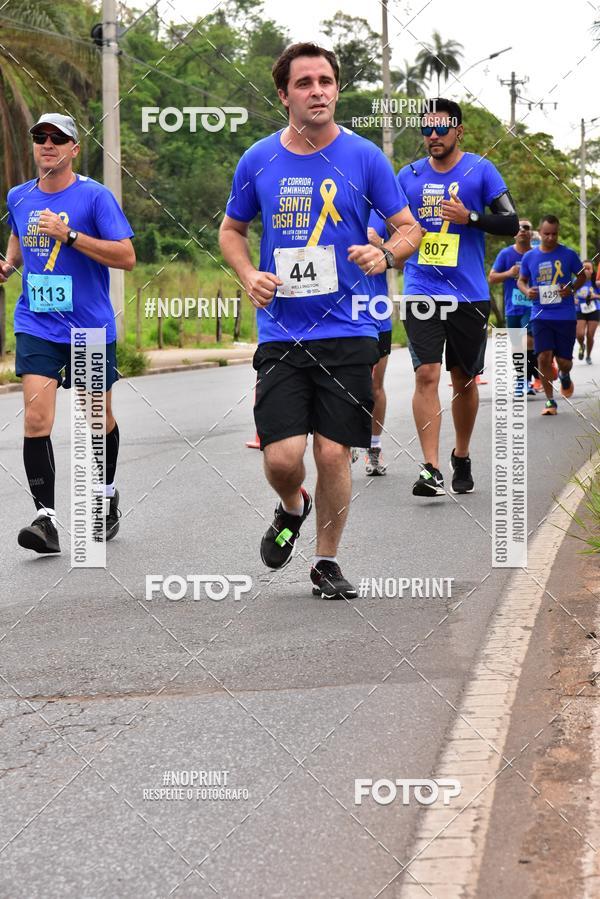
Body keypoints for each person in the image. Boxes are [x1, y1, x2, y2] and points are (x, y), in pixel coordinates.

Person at [219, 42, 420, 599]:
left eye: (327, 81)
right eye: (305, 83)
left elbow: (409, 227)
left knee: (333, 451)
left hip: (351, 328)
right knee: (284, 458)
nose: (318, 91)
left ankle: (326, 561)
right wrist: (246, 274)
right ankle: (292, 506)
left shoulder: (364, 158)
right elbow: (231, 230)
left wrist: (386, 255)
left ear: (337, 89)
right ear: (283, 95)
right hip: (282, 331)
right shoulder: (258, 159)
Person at [1, 113, 135, 553]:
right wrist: (6, 267)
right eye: (40, 137)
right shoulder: (19, 198)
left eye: (58, 139)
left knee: (97, 419)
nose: (48, 144)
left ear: (74, 148)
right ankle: (46, 519)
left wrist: (71, 234)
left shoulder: (95, 197)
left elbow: (126, 257)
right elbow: (18, 252)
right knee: (37, 418)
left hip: (90, 326)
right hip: (37, 324)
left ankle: (106, 493)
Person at [397, 99, 519, 497]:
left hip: (468, 292)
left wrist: (471, 218)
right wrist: (378, 242)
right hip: (420, 287)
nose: (433, 135)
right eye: (427, 128)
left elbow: (510, 221)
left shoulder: (480, 171)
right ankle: (430, 467)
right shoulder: (408, 176)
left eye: (441, 128)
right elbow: (385, 223)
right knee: (426, 373)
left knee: (463, 380)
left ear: (458, 131)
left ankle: (461, 455)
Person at [517, 215, 585, 415]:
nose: (550, 238)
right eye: (546, 234)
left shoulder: (568, 254)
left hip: (565, 315)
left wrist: (571, 288)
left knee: (565, 361)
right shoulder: (530, 257)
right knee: (543, 357)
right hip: (540, 314)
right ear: (540, 231)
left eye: (554, 234)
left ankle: (564, 374)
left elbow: (582, 275)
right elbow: (521, 280)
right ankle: (550, 401)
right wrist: (526, 290)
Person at [488, 219, 537, 395]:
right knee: (517, 346)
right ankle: (523, 379)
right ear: (514, 233)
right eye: (519, 228)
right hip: (512, 306)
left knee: (528, 342)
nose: (522, 230)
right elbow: (492, 278)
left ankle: (526, 380)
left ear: (531, 233)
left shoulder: (537, 253)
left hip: (532, 306)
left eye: (526, 228)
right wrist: (509, 273)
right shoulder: (505, 254)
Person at [362, 210, 392, 476]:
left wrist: (380, 247)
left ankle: (374, 447)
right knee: (342, 383)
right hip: (341, 312)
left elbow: (407, 261)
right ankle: (343, 440)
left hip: (377, 310)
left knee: (375, 386)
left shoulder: (383, 214)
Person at [575, 260, 600, 364]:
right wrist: (573, 299)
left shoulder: (596, 283)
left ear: (592, 270)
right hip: (580, 309)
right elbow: (568, 293)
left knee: (590, 335)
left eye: (588, 268)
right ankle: (582, 345)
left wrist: (595, 296)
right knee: (580, 334)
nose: (586, 270)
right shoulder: (575, 281)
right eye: (584, 268)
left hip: (594, 309)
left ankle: (588, 356)